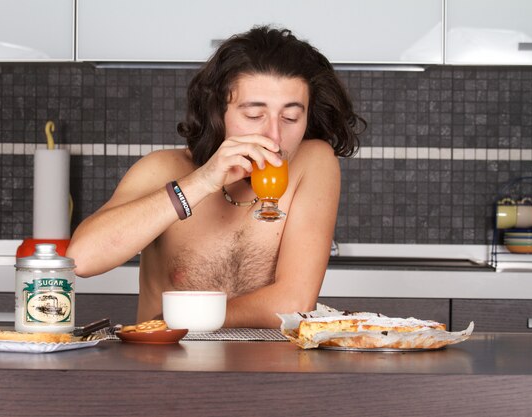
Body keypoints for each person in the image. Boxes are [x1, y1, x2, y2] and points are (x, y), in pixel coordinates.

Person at [66, 26, 365, 328]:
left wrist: (182, 319)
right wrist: (202, 182)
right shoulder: (161, 169)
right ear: (217, 111)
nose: (274, 135)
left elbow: (293, 302)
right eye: (253, 115)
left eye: (290, 117)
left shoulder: (312, 162)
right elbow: (84, 259)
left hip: (268, 372)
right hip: (165, 370)